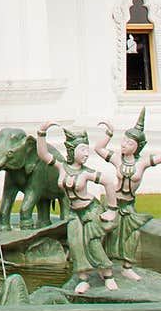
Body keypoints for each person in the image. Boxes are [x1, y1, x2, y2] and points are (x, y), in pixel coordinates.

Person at [92, 109, 161, 279]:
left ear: (137, 147)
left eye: (129, 143)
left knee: (133, 235)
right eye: (124, 141)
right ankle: (102, 266)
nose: (124, 145)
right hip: (114, 204)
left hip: (128, 206)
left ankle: (127, 267)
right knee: (105, 233)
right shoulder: (117, 159)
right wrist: (108, 134)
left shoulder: (142, 163)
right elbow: (98, 148)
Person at [36, 124, 118, 295]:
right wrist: (41, 133)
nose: (86, 154)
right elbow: (43, 154)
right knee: (76, 244)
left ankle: (108, 275)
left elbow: (109, 182)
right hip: (74, 212)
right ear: (73, 151)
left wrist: (112, 209)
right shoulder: (61, 167)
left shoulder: (87, 172)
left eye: (87, 150)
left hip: (90, 210)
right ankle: (83, 279)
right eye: (83, 150)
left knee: (93, 243)